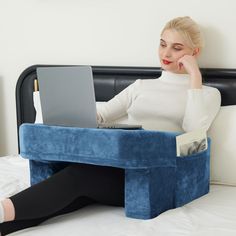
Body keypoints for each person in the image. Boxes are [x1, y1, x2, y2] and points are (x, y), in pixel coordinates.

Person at [0, 16, 221, 235]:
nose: (166, 53)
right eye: (162, 44)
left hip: (154, 177)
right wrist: (69, 111)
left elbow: (194, 135)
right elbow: (101, 116)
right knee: (74, 192)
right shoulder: (141, 87)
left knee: (79, 177)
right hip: (116, 167)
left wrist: (194, 76)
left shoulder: (207, 94)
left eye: (177, 48)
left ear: (194, 52)